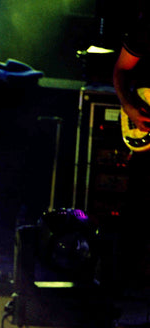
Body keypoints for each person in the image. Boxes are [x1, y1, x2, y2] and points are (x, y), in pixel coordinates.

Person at [113, 1, 150, 289]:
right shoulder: (145, 29)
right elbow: (121, 70)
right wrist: (129, 106)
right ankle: (123, 285)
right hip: (145, 135)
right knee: (137, 211)